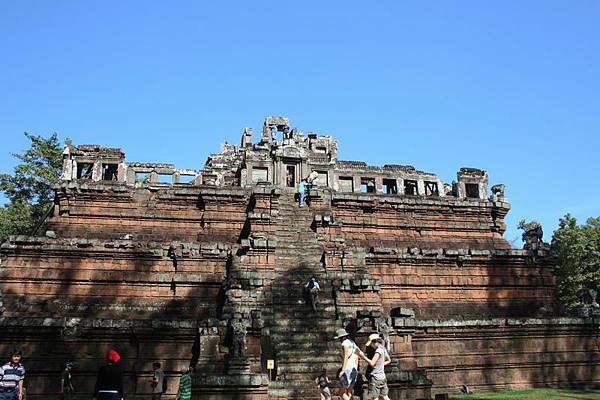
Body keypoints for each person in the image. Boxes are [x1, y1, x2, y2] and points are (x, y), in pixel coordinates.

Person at [359, 333, 391, 400]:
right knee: (385, 396)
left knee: (375, 398)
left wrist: (363, 356)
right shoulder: (383, 348)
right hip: (382, 377)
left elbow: (372, 363)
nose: (371, 346)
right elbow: (389, 360)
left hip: (376, 378)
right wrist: (380, 364)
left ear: (375, 342)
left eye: (371, 344)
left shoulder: (378, 351)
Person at [334, 328, 360, 400]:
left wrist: (343, 370)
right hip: (354, 368)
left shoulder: (344, 343)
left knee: (341, 393)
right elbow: (357, 356)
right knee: (349, 392)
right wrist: (356, 368)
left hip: (347, 368)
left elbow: (346, 356)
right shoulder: (353, 343)